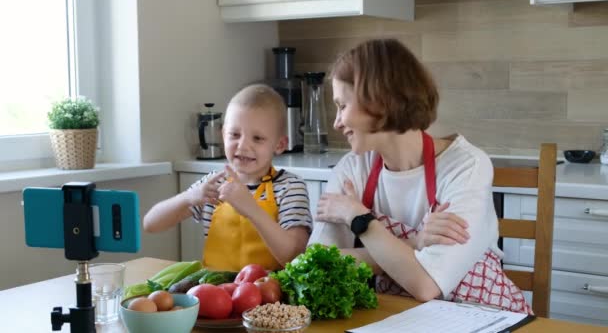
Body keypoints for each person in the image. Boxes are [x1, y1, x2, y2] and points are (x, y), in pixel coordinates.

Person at [309, 38, 532, 314]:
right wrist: (414, 244)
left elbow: (426, 285)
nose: (336, 122)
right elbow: (314, 268)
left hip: (481, 317)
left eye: (342, 106)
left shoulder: (466, 166)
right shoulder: (352, 169)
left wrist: (359, 219)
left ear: (379, 101)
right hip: (398, 316)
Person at [144, 84, 312, 272]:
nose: (243, 146)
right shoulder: (214, 184)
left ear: (280, 144)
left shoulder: (290, 188)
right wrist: (190, 197)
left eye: (257, 138)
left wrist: (251, 209)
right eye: (235, 134)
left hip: (270, 297)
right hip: (217, 295)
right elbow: (150, 224)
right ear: (223, 135)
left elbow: (295, 255)